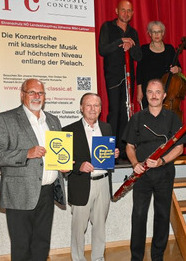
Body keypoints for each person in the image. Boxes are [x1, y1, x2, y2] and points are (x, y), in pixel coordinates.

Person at [0, 78, 66, 260]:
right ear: (22, 95)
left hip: (47, 192)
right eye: (32, 92)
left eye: (41, 93)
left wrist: (63, 166)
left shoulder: (53, 120)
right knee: (21, 248)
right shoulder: (5, 119)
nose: (37, 96)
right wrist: (25, 153)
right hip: (20, 194)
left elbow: (56, 153)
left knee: (42, 245)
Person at [122, 79, 186, 261]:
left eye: (158, 92)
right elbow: (129, 146)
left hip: (164, 172)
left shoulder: (173, 118)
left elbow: (179, 148)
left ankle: (157, 256)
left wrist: (162, 161)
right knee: (139, 215)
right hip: (141, 174)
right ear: (146, 95)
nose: (153, 95)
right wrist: (135, 164)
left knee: (162, 215)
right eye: (150, 92)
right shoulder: (137, 118)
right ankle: (136, 257)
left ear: (164, 95)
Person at [62, 93, 119, 261]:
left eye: (96, 105)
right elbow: (62, 160)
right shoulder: (69, 130)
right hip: (81, 184)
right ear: (81, 107)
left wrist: (114, 153)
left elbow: (106, 156)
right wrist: (78, 165)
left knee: (100, 226)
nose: (93, 109)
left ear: (100, 109)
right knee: (79, 229)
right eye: (89, 105)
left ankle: (98, 258)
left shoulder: (106, 128)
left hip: (103, 184)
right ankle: (78, 258)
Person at [98, 0, 142, 158]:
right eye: (123, 10)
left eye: (129, 11)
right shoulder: (107, 27)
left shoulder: (133, 32)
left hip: (129, 76)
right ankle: (110, 151)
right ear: (117, 11)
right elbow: (102, 50)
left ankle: (124, 151)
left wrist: (132, 46)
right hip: (114, 76)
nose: (126, 13)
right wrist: (120, 41)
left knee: (126, 113)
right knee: (114, 112)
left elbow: (139, 56)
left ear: (133, 14)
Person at [136, 21, 181, 109]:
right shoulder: (144, 49)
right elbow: (139, 71)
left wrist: (177, 69)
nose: (157, 34)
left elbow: (179, 68)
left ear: (163, 33)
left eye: (159, 32)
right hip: (148, 91)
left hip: (166, 91)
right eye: (154, 32)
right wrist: (139, 90)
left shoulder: (170, 49)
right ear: (149, 34)